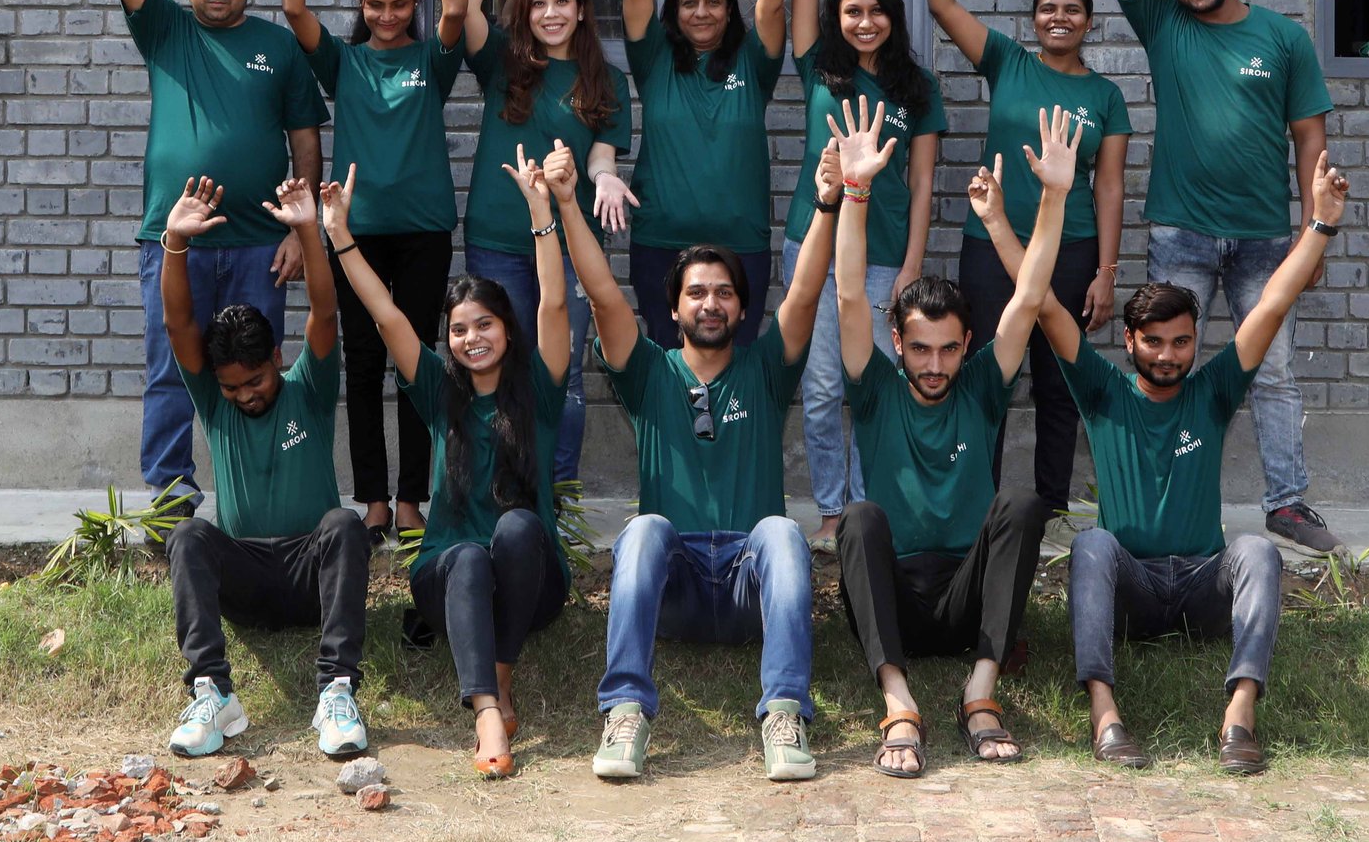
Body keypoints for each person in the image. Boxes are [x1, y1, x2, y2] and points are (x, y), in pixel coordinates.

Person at [1035, 151, 1350, 777]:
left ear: (1194, 339)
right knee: (1092, 543)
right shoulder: (1102, 391)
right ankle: (1104, 713)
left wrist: (1322, 225)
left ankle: (1240, 716)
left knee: (1259, 550)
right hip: (1133, 588)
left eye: (1181, 341)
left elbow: (1270, 305)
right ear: (1129, 343)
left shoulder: (1212, 392)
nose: (1168, 354)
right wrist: (1004, 218)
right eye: (1153, 342)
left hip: (1203, 586)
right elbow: (1042, 305)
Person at [1086, 0, 1340, 556]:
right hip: (1183, 233)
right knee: (1158, 364)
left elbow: (1309, 138)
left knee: (1274, 370)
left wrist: (1311, 233)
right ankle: (1156, 491)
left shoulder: (1283, 39)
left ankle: (1287, 503)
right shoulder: (1163, 25)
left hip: (1267, 236)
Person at [557, 140, 840, 783]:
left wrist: (827, 201)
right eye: (696, 294)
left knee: (781, 531)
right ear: (675, 308)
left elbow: (804, 292)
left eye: (723, 294)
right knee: (643, 529)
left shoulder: (766, 371)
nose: (710, 303)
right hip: (675, 590)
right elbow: (602, 297)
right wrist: (569, 203)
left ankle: (785, 713)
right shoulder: (649, 371)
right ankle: (625, 711)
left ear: (741, 309)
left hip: (749, 588)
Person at [833, 102, 1078, 778]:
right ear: (897, 344)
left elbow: (1028, 297)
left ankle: (980, 688)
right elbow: (850, 295)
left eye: (947, 349)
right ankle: (898, 697)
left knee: (1023, 502)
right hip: (896, 597)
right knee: (857, 517)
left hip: (969, 595)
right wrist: (856, 190)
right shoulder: (876, 387)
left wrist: (1052, 197)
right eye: (919, 349)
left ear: (967, 344)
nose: (934, 364)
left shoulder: (979, 385)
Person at [321, 154, 571, 779]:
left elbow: (555, 309)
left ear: (507, 332)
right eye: (459, 330)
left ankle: (502, 672)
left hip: (532, 582)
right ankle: (488, 707)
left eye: (484, 324)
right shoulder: (439, 392)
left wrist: (542, 212)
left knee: (514, 529)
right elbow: (386, 315)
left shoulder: (538, 394)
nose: (471, 338)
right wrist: (340, 237)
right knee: (466, 555)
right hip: (447, 577)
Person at [112, 0, 327, 510]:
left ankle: (253, 483)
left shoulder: (278, 45)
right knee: (172, 366)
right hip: (175, 237)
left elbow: (305, 140)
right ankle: (172, 495)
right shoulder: (166, 29)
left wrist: (303, 228)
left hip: (260, 242)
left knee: (256, 370)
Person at [925, 0, 1133, 509]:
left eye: (1072, 10)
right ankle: (978, 504)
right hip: (991, 245)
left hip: (1067, 253)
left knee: (1058, 381)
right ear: (1035, 20)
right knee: (987, 374)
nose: (1059, 17)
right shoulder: (1007, 62)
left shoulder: (1106, 96)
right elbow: (942, 3)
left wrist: (1105, 269)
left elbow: (1110, 188)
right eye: (1048, 9)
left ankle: (1051, 504)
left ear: (1089, 23)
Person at [280, 0, 467, 545]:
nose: (387, 16)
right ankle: (375, 502)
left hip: (423, 231)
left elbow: (456, 10)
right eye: (374, 4)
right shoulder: (345, 63)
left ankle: (414, 497)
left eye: (398, 3)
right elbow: (295, 7)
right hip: (352, 235)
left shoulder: (431, 62)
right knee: (361, 363)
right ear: (360, 6)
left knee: (417, 359)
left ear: (412, 3)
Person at [154, 175, 371, 762]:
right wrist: (175, 242)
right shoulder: (216, 402)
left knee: (345, 524)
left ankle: (336, 691)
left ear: (278, 359)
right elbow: (178, 327)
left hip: (311, 576)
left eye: (255, 380)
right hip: (246, 575)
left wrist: (307, 229)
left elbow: (325, 311)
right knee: (188, 533)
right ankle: (212, 693)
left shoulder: (309, 389)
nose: (246, 395)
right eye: (233, 387)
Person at [788, 0, 945, 547]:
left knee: (875, 389)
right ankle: (831, 508)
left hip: (885, 256)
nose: (864, 21)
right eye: (852, 11)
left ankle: (873, 511)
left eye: (876, 10)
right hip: (814, 244)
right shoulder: (818, 62)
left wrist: (913, 262)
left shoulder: (920, 87)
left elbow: (921, 185)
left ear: (893, 15)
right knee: (821, 388)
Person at [447, 0, 635, 487]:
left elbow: (603, 158)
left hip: (572, 244)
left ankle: (559, 493)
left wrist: (604, 180)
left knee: (565, 374)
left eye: (562, 2)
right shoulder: (503, 60)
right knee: (500, 366)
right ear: (524, 12)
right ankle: (508, 489)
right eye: (538, 4)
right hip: (499, 241)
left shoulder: (607, 81)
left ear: (582, 8)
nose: (551, 13)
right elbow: (460, 7)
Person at [602, 0, 792, 347]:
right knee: (670, 371)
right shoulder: (654, 58)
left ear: (730, 10)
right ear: (673, 12)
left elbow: (773, 5)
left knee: (734, 376)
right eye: (689, 2)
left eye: (713, 1)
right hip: (661, 243)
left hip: (740, 248)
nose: (702, 11)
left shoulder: (754, 62)